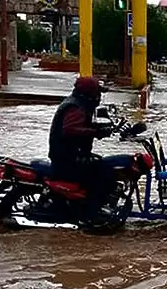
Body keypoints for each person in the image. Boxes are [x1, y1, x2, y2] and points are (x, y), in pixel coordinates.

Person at [48, 77, 116, 217]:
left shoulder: (77, 103)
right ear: (90, 94)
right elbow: (70, 129)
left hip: (70, 154)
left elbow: (80, 126)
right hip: (68, 158)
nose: (100, 96)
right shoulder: (77, 107)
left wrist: (98, 128)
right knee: (104, 173)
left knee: (102, 167)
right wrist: (96, 132)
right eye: (98, 93)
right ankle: (93, 212)